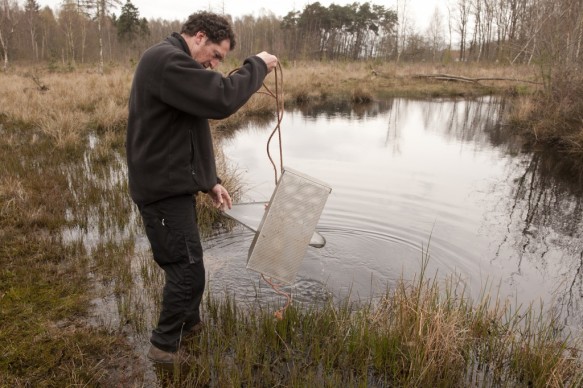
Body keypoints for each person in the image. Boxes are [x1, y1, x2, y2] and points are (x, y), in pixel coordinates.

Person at [126, 11, 278, 364]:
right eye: (216, 56)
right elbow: (221, 99)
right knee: (187, 268)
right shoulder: (166, 61)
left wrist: (210, 181)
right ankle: (164, 347)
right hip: (161, 192)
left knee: (189, 262)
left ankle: (188, 324)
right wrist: (256, 65)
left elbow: (192, 129)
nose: (214, 65)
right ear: (198, 37)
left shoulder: (176, 67)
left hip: (172, 186)